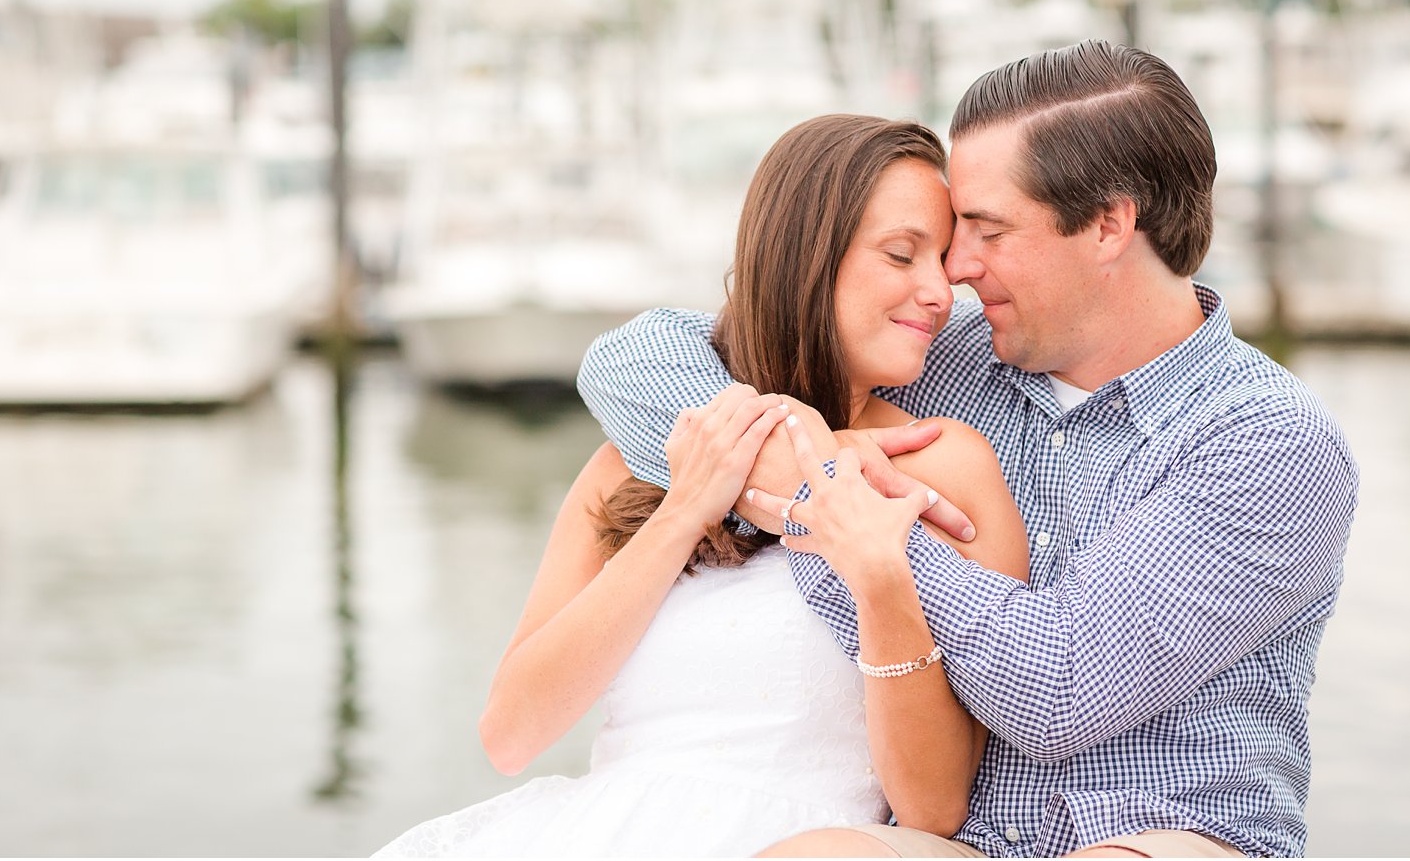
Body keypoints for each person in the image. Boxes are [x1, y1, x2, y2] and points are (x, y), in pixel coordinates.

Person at [577, 40, 1358, 858]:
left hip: (1168, 834)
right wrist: (799, 470)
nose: (953, 267)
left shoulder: (1268, 442)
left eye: (986, 229)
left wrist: (855, 526)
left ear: (1108, 225)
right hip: (971, 842)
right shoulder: (947, 355)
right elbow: (634, 358)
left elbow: (1058, 691)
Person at [374, 115, 1029, 857]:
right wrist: (688, 508)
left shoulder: (946, 468)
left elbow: (934, 808)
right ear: (805, 259)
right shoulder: (647, 455)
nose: (939, 291)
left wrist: (878, 572)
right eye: (902, 255)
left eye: (941, 262)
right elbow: (511, 733)